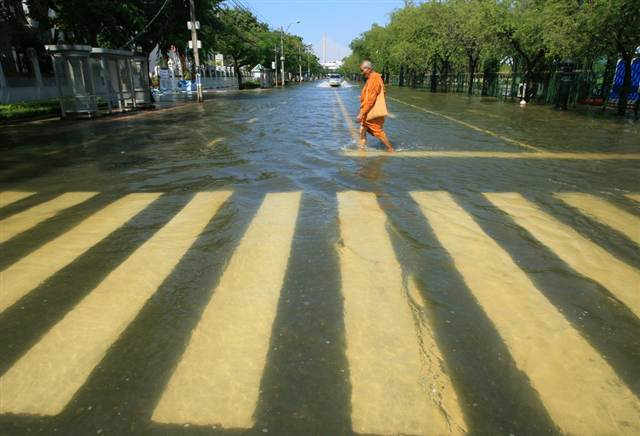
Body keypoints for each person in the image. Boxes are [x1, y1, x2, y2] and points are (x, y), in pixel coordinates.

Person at [356, 60, 394, 152]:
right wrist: (362, 97)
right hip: (367, 110)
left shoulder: (374, 79)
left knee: (378, 132)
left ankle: (390, 149)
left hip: (371, 111)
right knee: (362, 130)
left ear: (368, 69)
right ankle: (362, 150)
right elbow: (373, 95)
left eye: (363, 70)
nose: (362, 73)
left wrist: (361, 113)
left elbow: (370, 99)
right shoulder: (372, 78)